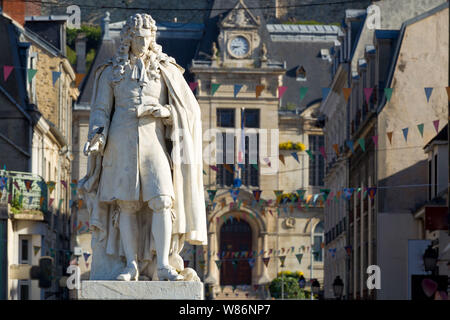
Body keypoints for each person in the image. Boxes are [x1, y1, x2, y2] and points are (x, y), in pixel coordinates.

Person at [79, 13, 207, 281]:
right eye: (138, 38)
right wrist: (97, 137)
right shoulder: (110, 71)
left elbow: (190, 109)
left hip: (154, 142)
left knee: (162, 200)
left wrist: (164, 111)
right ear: (128, 38)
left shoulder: (166, 70)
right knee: (127, 205)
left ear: (153, 39)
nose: (143, 43)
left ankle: (162, 264)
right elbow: (100, 111)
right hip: (119, 143)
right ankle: (131, 264)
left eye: (147, 39)